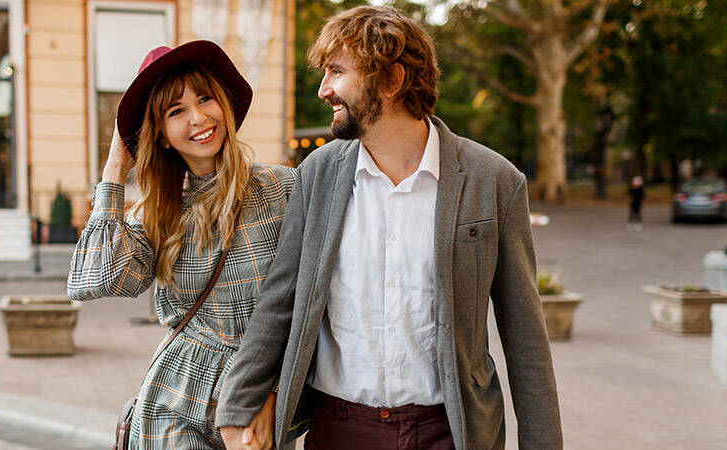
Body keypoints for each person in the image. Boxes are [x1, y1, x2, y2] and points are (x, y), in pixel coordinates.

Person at [216, 6, 562, 450]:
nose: (324, 89)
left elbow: (525, 337)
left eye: (337, 71)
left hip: (451, 432)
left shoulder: (494, 181)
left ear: (392, 80)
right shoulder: (316, 175)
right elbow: (279, 301)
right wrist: (238, 402)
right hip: (339, 428)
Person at [67, 40, 294, 449]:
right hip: (174, 406)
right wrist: (116, 166)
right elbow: (96, 280)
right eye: (176, 111)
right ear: (163, 136)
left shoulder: (281, 188)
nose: (198, 117)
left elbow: (306, 301)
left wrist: (273, 389)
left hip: (254, 398)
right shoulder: (154, 213)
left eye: (205, 99)